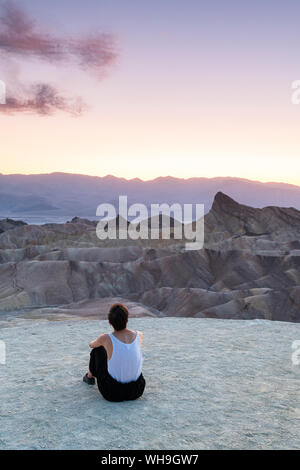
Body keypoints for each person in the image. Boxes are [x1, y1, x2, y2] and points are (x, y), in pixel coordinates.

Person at [83, 303, 146, 402]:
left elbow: (91, 345)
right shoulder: (139, 335)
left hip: (113, 393)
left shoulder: (105, 338)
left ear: (109, 322)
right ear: (127, 320)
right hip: (137, 390)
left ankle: (90, 376)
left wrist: (101, 343)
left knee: (98, 350)